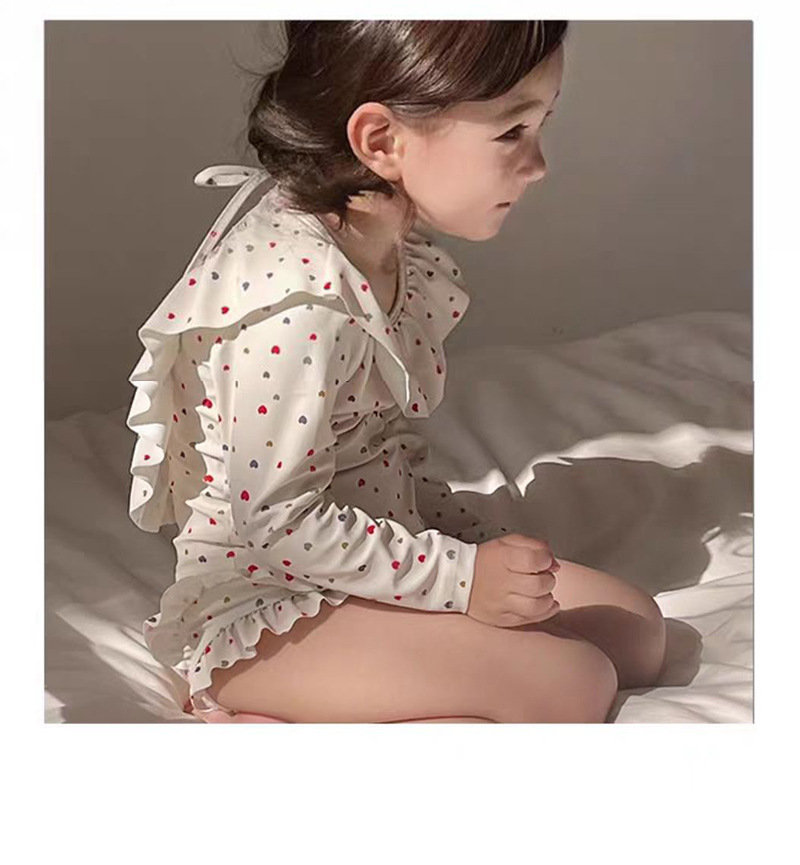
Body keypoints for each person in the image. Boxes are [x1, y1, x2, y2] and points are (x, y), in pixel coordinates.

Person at [126, 20, 666, 724]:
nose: (537, 164)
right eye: (511, 131)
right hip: (268, 603)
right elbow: (276, 522)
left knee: (637, 633)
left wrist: (462, 539)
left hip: (371, 555)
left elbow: (374, 450)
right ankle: (257, 703)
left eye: (541, 125)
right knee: (572, 684)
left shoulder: (384, 250)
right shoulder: (300, 309)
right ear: (381, 141)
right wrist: (462, 578)